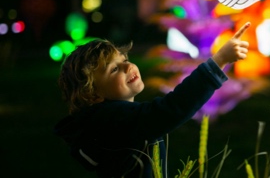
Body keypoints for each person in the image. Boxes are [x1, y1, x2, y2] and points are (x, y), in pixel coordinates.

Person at [54, 22, 251, 178]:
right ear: (93, 94)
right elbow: (171, 109)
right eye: (114, 69)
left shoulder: (113, 118)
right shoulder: (114, 119)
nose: (127, 67)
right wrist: (218, 63)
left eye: (123, 60)